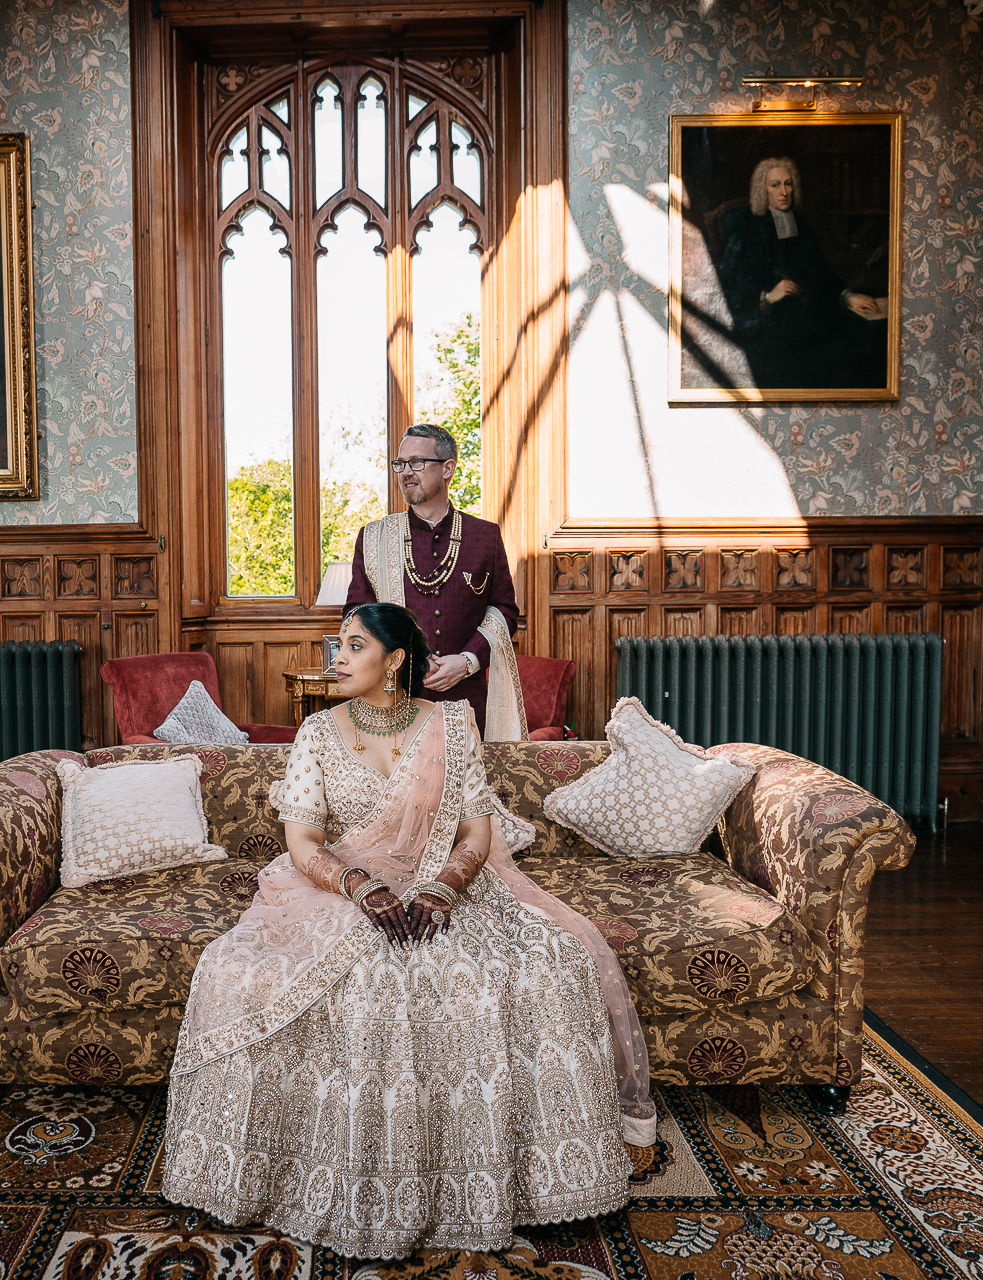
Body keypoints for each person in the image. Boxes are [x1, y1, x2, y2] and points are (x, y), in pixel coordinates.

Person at [161, 602, 655, 1258]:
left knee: (542, 961)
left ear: (394, 661)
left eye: (354, 646)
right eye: (338, 644)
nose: (337, 658)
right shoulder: (316, 733)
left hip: (438, 882)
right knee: (277, 971)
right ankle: (312, 1175)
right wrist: (359, 885)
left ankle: (487, 1184)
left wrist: (446, 886)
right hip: (335, 885)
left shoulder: (450, 725)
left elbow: (477, 832)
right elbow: (304, 842)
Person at [343, 422, 527, 739]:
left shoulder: (484, 537)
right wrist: (407, 653)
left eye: (417, 462)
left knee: (467, 788)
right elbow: (356, 614)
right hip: (396, 699)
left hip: (468, 703)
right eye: (400, 464)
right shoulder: (374, 537)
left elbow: (504, 611)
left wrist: (467, 661)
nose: (405, 472)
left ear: (447, 469)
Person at [715, 156, 886, 390]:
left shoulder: (803, 229)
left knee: (865, 335)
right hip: (772, 325)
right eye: (775, 185)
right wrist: (768, 297)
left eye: (788, 183)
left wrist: (847, 296)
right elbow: (728, 292)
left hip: (810, 315)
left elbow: (821, 274)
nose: (783, 191)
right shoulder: (747, 234)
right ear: (762, 191)